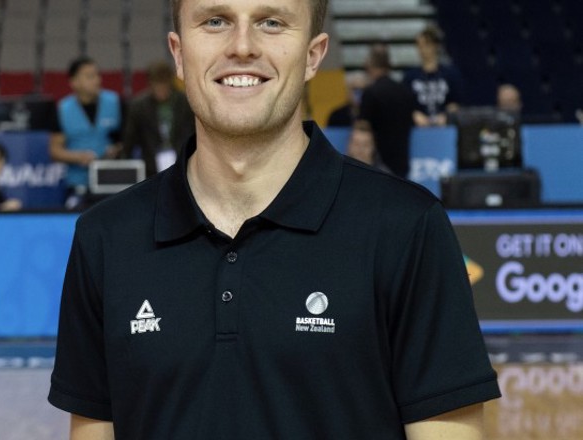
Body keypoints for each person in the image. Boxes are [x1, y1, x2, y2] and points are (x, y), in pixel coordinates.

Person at [49, 1, 500, 439]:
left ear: (313, 55)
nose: (242, 45)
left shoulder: (407, 227)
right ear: (179, 53)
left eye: (271, 22)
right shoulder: (105, 238)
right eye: (215, 20)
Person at [49, 57, 122, 207]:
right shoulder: (63, 109)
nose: (97, 80)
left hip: (111, 182)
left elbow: (126, 138)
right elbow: (55, 151)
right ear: (74, 82)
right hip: (78, 183)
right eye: (90, 76)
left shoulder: (115, 102)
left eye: (97, 75)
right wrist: (78, 157)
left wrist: (116, 149)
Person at [123, 60, 195, 177]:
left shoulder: (186, 102)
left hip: (182, 161)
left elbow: (194, 132)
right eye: (156, 85)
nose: (160, 90)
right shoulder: (139, 106)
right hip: (150, 164)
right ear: (150, 84)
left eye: (164, 85)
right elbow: (130, 138)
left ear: (170, 84)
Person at [357, 43, 415, 177]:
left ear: (369, 64)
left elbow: (362, 128)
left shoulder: (371, 93)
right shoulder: (404, 91)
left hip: (378, 165)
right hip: (402, 164)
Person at [403, 25, 464, 126]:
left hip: (444, 126)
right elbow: (405, 103)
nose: (421, 49)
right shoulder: (410, 76)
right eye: (419, 45)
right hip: (419, 127)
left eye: (425, 45)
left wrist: (446, 115)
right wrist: (414, 114)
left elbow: (456, 102)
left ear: (434, 46)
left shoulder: (450, 74)